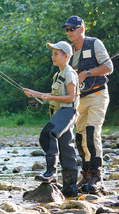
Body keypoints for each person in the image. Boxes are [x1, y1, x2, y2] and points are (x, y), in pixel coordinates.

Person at [62, 15, 114, 194]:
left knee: (92, 132)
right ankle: (86, 174)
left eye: (72, 29)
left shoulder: (94, 44)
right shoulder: (68, 50)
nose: (69, 32)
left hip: (97, 95)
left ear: (81, 29)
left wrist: (87, 73)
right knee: (80, 136)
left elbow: (109, 67)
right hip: (78, 99)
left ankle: (96, 175)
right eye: (67, 29)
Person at [23, 41, 80, 197]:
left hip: (68, 111)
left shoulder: (70, 73)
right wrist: (33, 92)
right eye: (52, 53)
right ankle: (70, 188)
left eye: (56, 54)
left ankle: (51, 173)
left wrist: (50, 97)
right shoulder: (58, 75)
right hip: (59, 112)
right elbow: (51, 96)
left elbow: (70, 97)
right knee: (66, 149)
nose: (52, 56)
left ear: (66, 56)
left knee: (48, 134)